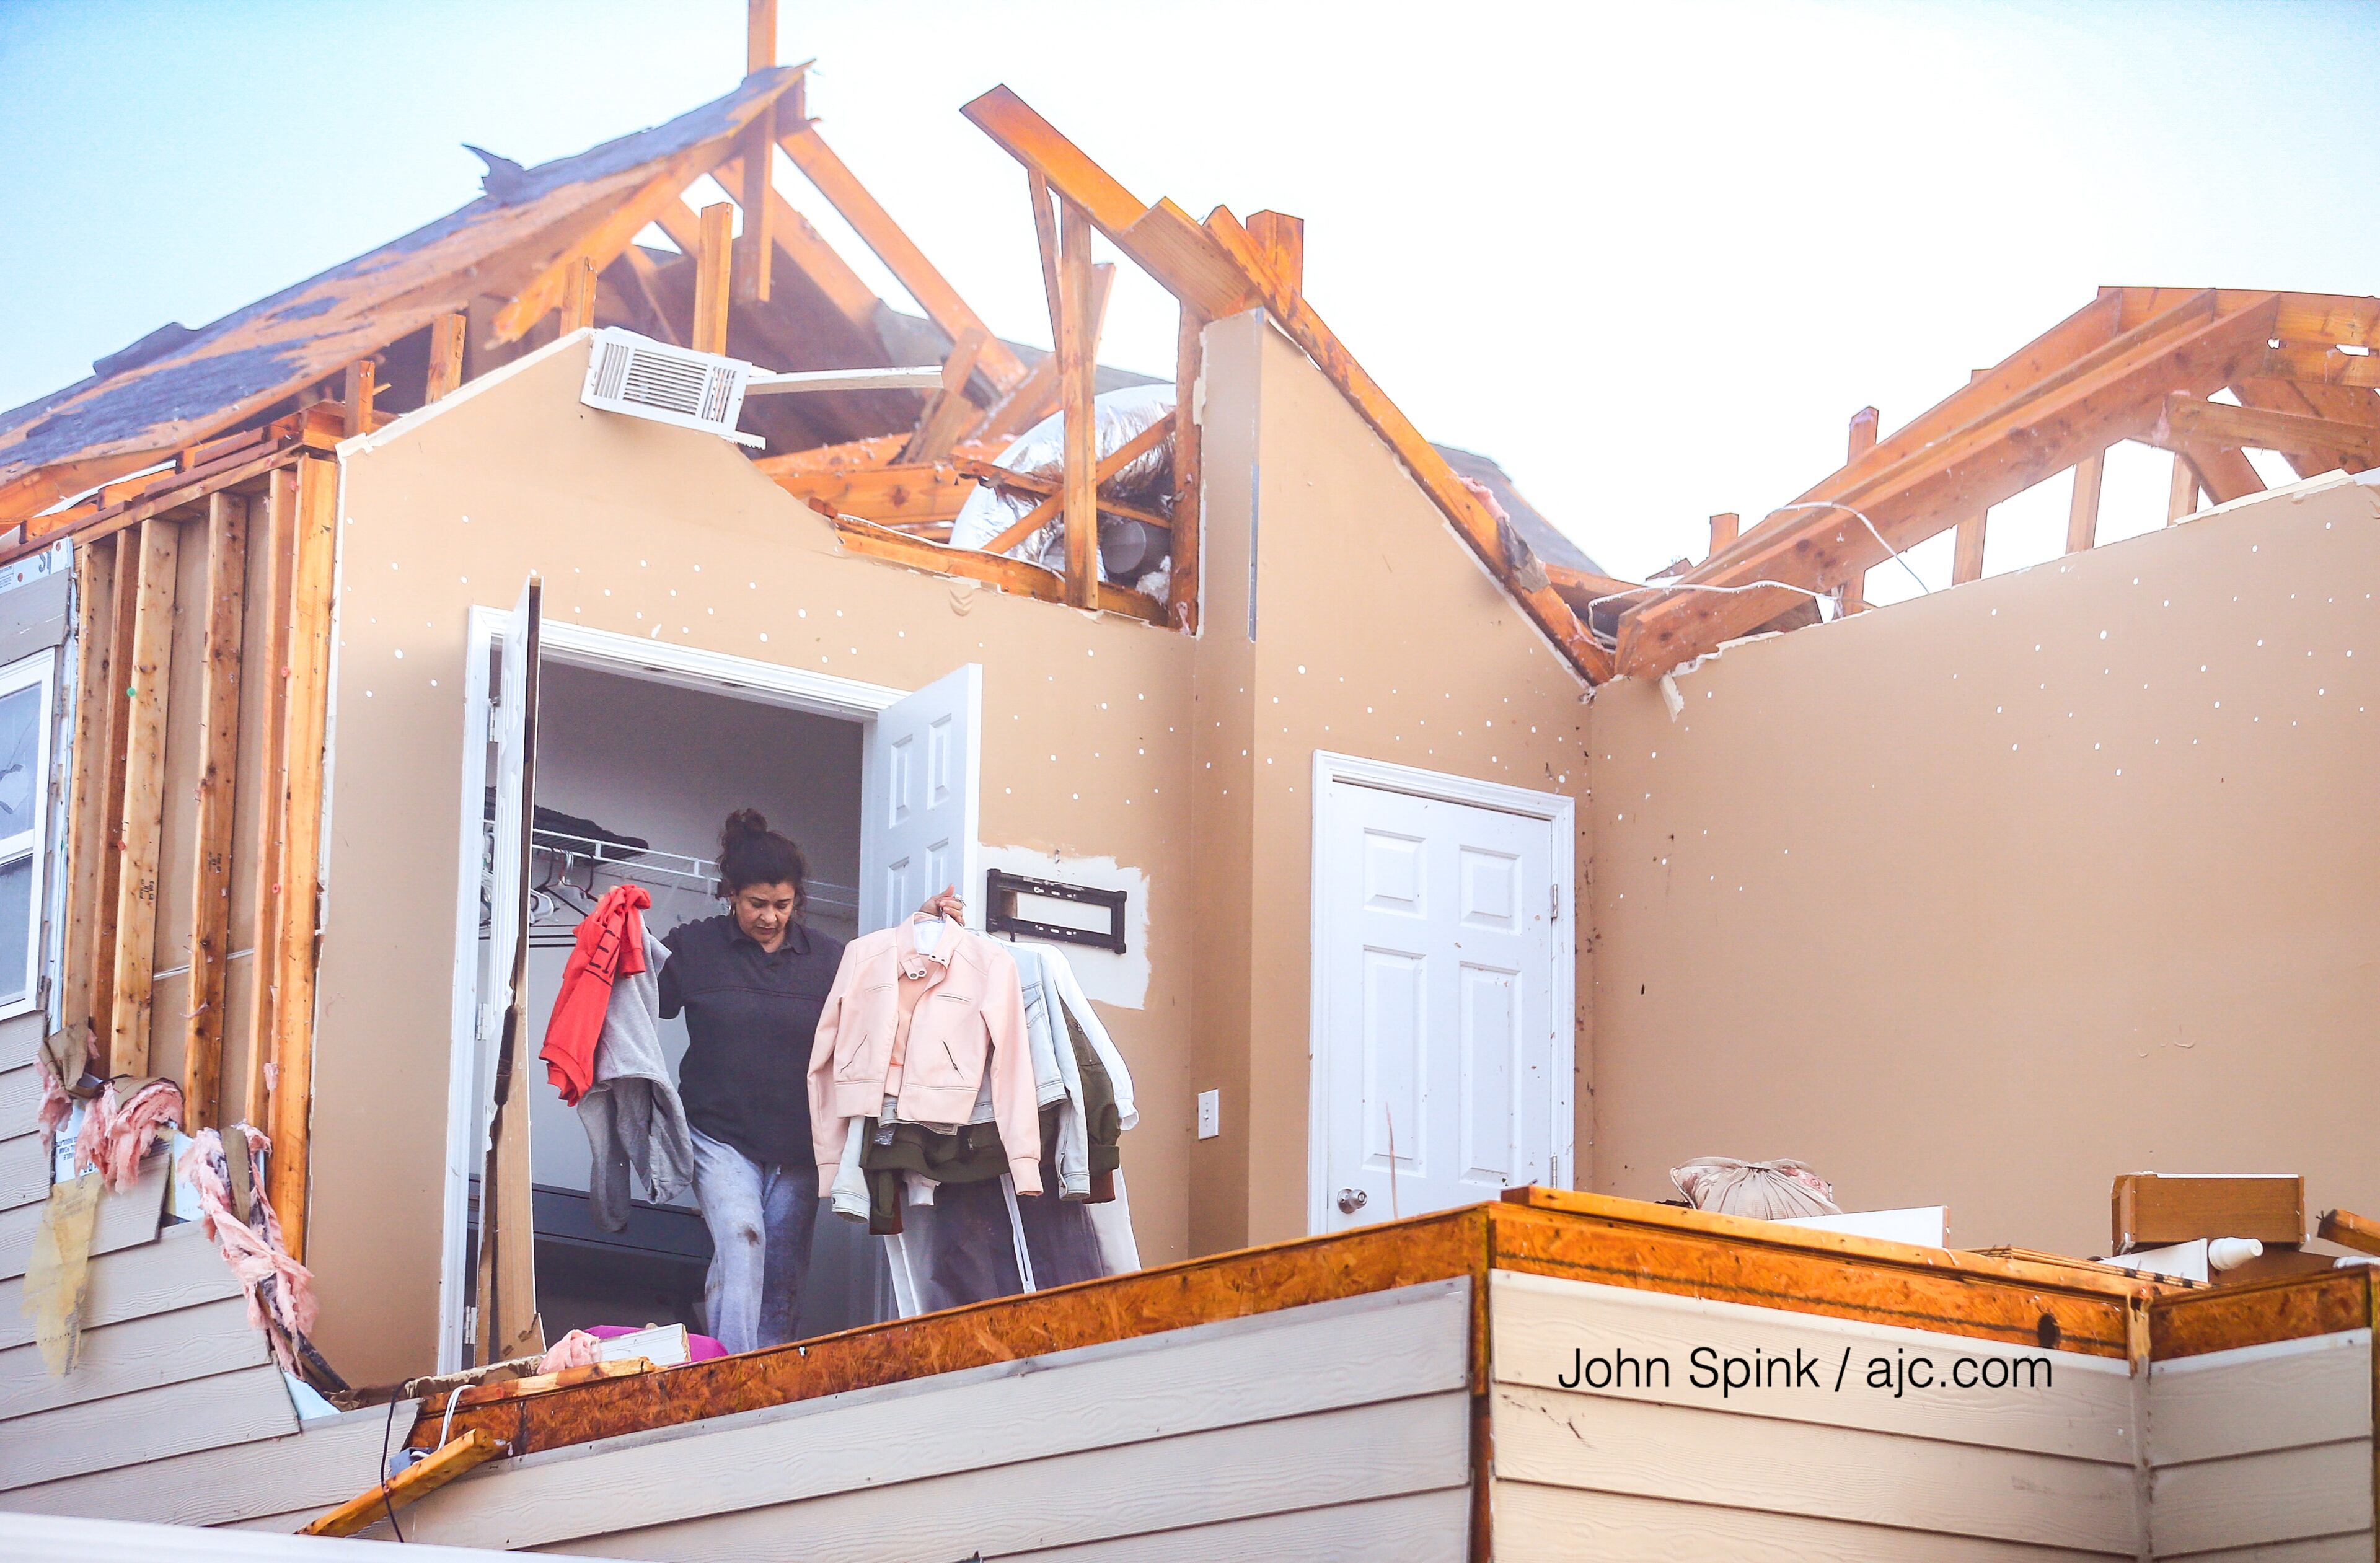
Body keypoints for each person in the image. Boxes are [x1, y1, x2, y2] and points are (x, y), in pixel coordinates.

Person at [660, 809, 958, 1355]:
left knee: (782, 1274)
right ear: (731, 894)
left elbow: (889, 983)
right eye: (757, 904)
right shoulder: (693, 949)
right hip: (718, 1136)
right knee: (742, 1244)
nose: (770, 917)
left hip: (801, 1145)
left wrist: (922, 927)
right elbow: (634, 1000)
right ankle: (726, 1380)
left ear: (798, 899)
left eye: (783, 905)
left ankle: (770, 1384)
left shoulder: (829, 960)